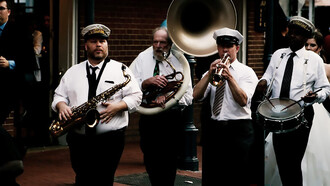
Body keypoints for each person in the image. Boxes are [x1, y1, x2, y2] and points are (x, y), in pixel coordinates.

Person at [51, 23, 142, 186]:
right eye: (94, 41)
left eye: (103, 41)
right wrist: (61, 105)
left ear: (107, 45)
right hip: (79, 138)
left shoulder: (121, 70)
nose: (99, 44)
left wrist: (119, 106)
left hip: (110, 139)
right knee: (82, 178)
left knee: (104, 179)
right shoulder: (73, 71)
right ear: (86, 46)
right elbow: (59, 95)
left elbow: (136, 96)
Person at [256, 16, 330, 186]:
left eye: (297, 34)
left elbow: (325, 89)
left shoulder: (314, 60)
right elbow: (268, 76)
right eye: (291, 32)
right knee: (282, 161)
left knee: (294, 162)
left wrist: (315, 96)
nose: (292, 36)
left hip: (301, 117)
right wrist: (263, 83)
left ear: (305, 38)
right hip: (276, 114)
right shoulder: (278, 55)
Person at [193, 27, 259, 185]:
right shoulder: (213, 69)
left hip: (238, 130)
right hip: (215, 129)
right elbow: (196, 95)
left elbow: (243, 100)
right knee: (213, 176)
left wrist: (230, 77)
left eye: (229, 47)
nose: (225, 51)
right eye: (221, 46)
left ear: (237, 48)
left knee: (236, 177)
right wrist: (209, 74)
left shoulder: (247, 72)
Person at [131, 27, 193, 186]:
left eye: (163, 43)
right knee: (150, 160)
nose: (158, 46)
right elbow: (129, 86)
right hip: (148, 118)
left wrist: (168, 98)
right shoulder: (142, 58)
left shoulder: (180, 61)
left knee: (169, 162)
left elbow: (188, 96)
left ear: (170, 44)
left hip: (170, 119)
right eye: (155, 42)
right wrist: (145, 82)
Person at [0, 0, 35, 185]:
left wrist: (10, 63)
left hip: (12, 88)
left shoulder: (18, 32)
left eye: (1, 8)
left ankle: (13, 157)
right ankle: (10, 160)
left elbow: (29, 61)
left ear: (9, 11)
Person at [301, 29, 330, 186]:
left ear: (319, 48)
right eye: (306, 44)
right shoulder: (297, 62)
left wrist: (318, 95)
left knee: (316, 148)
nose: (309, 48)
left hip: (317, 110)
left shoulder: (326, 68)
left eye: (312, 45)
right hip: (298, 108)